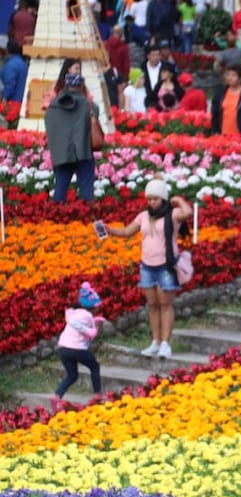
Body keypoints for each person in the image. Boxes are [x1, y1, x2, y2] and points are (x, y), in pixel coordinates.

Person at [100, 179, 193, 357]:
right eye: (149, 199)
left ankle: (166, 343)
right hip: (147, 266)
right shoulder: (143, 216)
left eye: (155, 199)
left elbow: (188, 213)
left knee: (165, 305)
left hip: (166, 266)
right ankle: (155, 342)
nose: (151, 202)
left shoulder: (172, 215)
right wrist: (109, 229)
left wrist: (179, 200)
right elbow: (127, 232)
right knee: (152, 306)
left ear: (163, 198)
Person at [45, 73, 99, 203]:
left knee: (60, 189)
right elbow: (94, 120)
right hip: (84, 152)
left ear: (66, 85)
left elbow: (50, 127)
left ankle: (56, 218)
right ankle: (85, 217)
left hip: (62, 154)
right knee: (86, 192)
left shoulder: (53, 107)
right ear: (81, 86)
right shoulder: (90, 106)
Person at [53, 282, 107, 409]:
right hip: (76, 348)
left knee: (72, 375)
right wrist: (96, 326)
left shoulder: (75, 312)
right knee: (94, 366)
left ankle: (56, 396)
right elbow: (90, 334)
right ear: (92, 306)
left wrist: (93, 323)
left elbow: (77, 324)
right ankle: (98, 395)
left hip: (63, 348)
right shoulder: (87, 315)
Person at [210, 64, 241, 136]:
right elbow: (215, 113)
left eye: (233, 75)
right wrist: (216, 130)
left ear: (240, 78)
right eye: (228, 75)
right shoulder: (220, 93)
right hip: (223, 134)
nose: (230, 78)